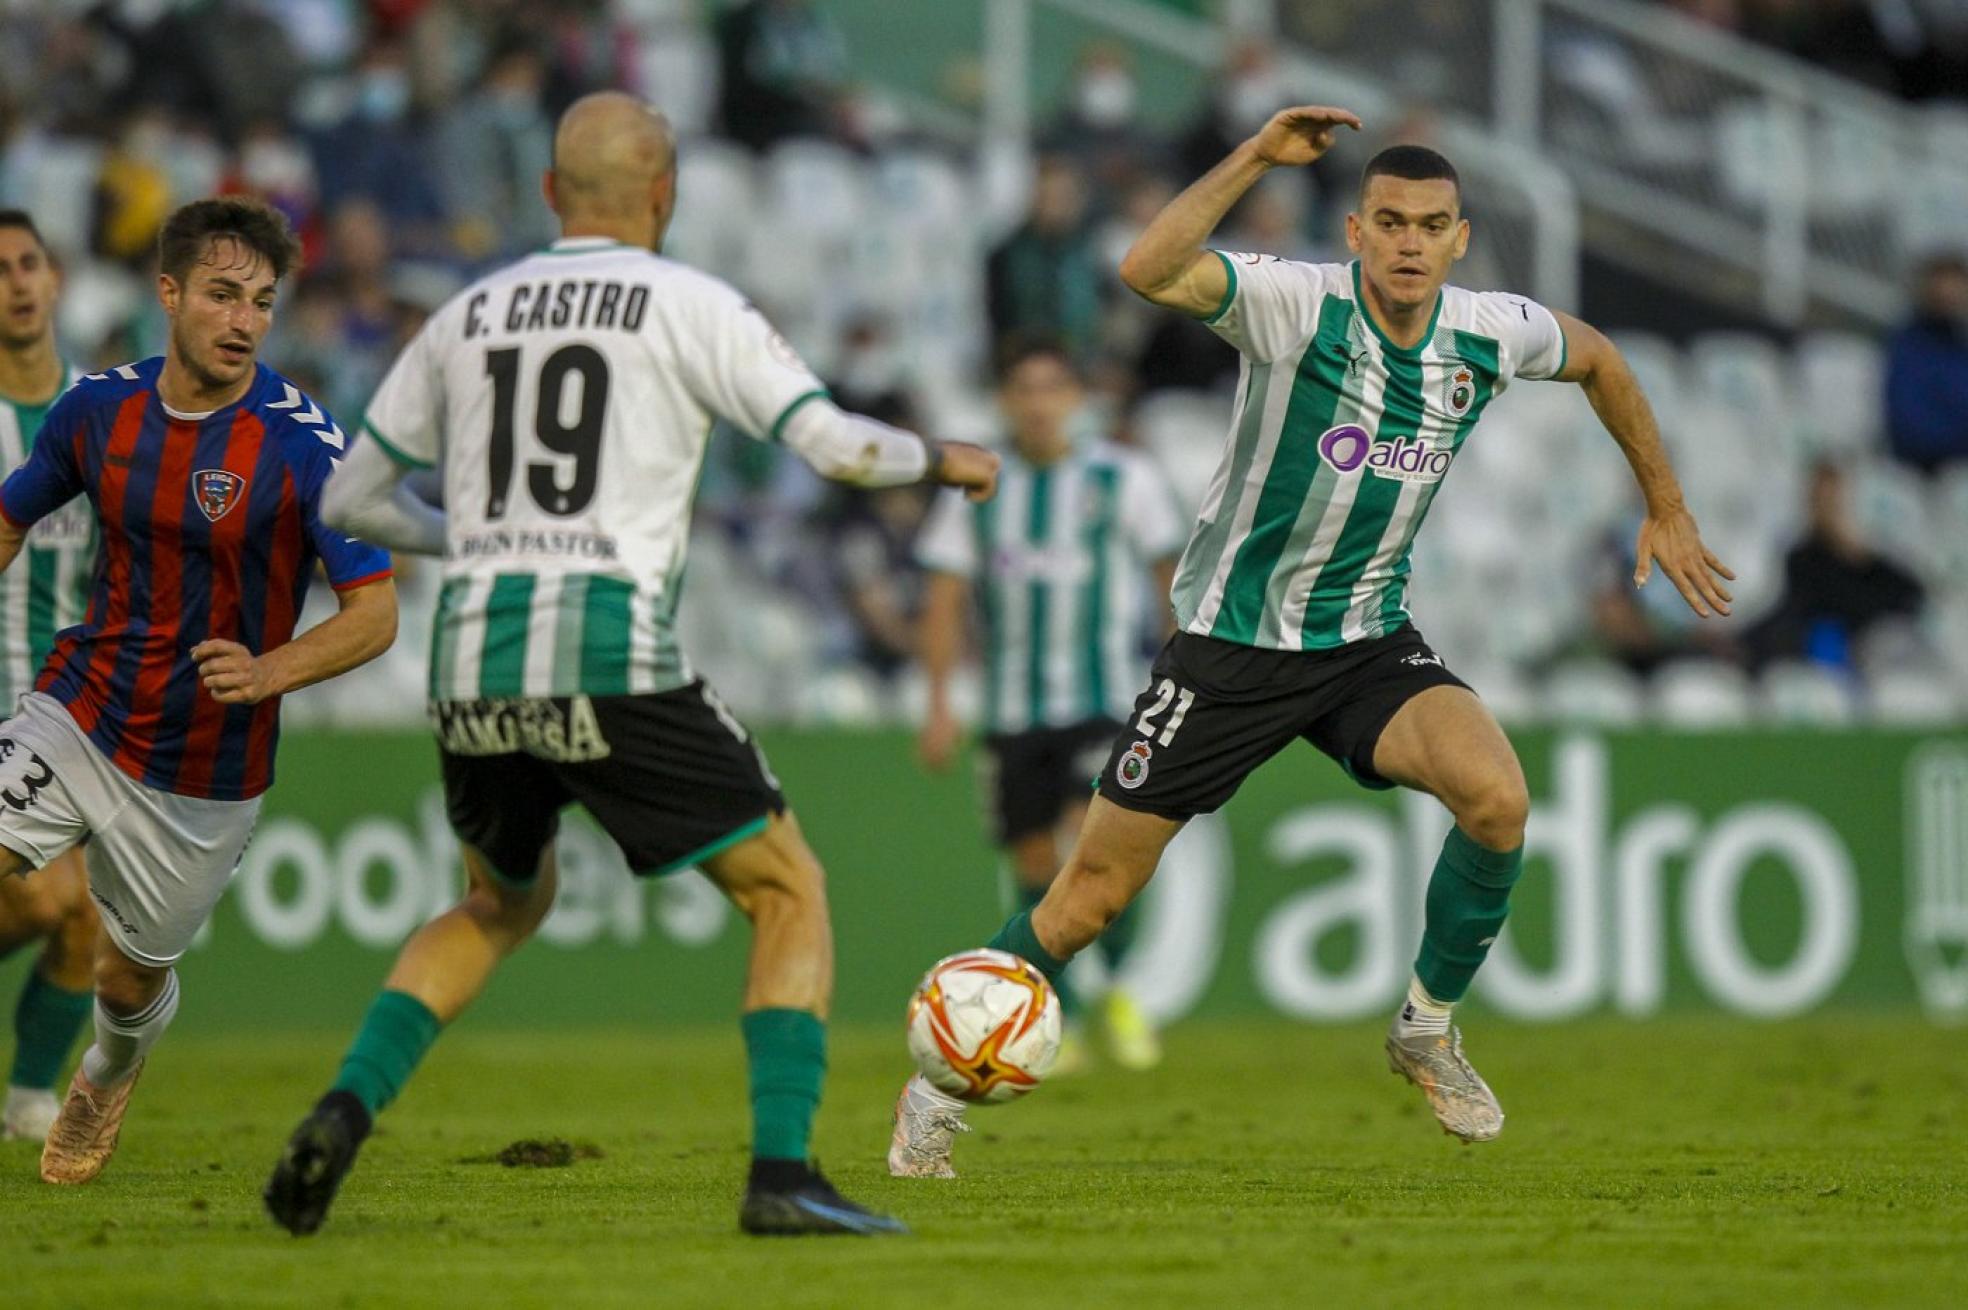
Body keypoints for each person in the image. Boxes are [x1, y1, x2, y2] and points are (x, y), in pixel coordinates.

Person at [889, 109, 1734, 1177]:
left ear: (1460, 239)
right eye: (1390, 222)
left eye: (1432, 225)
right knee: (1084, 899)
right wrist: (1252, 156)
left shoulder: (1488, 328)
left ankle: (1424, 1026)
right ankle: (932, 1087)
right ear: (1356, 229)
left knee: (1500, 798)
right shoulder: (1295, 305)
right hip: (1227, 650)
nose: (1411, 243)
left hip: (1365, 641)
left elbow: (1602, 359)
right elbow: (1150, 266)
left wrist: (1666, 503)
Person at [264, 92, 999, 1239]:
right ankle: (782, 1173)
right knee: (787, 886)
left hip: (471, 656)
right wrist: (943, 455)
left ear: (551, 195)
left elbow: (349, 496)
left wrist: (482, 537)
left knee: (498, 901)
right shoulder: (692, 304)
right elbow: (838, 446)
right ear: (665, 195)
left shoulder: (468, 311)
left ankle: (342, 1112)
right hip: (606, 643)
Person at [0, 196, 398, 1184]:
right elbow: (12, 515)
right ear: (168, 293)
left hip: (205, 770)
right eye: (223, 295)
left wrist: (271, 669)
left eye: (262, 302)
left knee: (130, 978)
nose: (244, 321)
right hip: (80, 709)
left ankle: (107, 1068)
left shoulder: (309, 444)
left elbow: (375, 611)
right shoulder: (99, 409)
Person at [911, 337, 1184, 1091]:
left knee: (1096, 843)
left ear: (1075, 398)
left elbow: (1172, 575)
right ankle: (1050, 1013)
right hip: (1009, 710)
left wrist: (1181, 680)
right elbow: (944, 598)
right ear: (1005, 401)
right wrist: (938, 702)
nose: (1037, 404)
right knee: (1034, 863)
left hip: (1100, 701)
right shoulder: (977, 485)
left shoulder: (1120, 477)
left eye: (1051, 388)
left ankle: (1123, 993)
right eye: (1023, 389)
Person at [0, 210, 98, 1143]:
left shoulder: (102, 412)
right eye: (0, 270)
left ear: (56, 277)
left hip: (75, 721)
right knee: (44, 895)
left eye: (30, 262)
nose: (19, 283)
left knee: (94, 911)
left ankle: (29, 1099)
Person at [1884, 252, 1968, 477]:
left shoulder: (1962, 348)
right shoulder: (1907, 347)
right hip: (1920, 474)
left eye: (1956, 287)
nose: (1949, 295)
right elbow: (1908, 427)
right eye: (1942, 286)